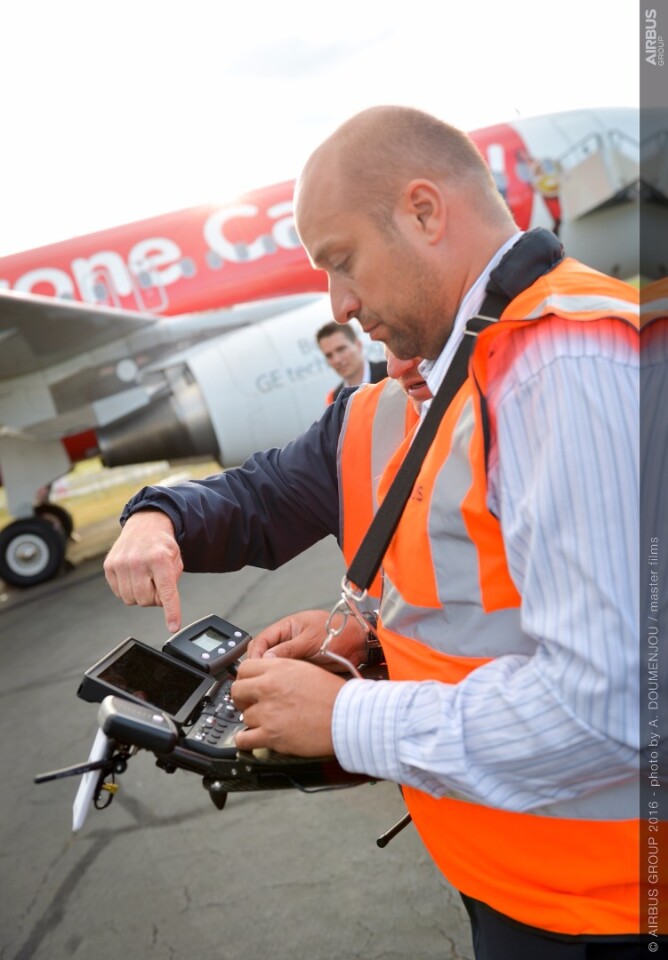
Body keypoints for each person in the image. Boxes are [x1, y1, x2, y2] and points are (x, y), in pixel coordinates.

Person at [105, 106, 645, 958]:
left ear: (426, 212)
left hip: (608, 906)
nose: (341, 306)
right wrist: (157, 514)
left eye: (341, 261)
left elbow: (615, 702)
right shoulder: (422, 391)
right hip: (513, 874)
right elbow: (264, 498)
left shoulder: (562, 365)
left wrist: (349, 716)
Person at [316, 320, 387, 403]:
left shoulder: (391, 375)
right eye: (329, 355)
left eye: (341, 349)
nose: (337, 360)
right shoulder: (335, 398)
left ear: (358, 345)